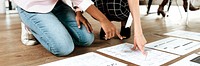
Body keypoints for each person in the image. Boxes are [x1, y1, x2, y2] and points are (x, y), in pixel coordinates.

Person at [13, 0, 123, 56]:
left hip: (55, 3)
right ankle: (29, 25)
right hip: (31, 5)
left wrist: (78, 11)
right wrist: (103, 19)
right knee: (63, 48)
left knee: (86, 39)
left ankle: (52, 23)